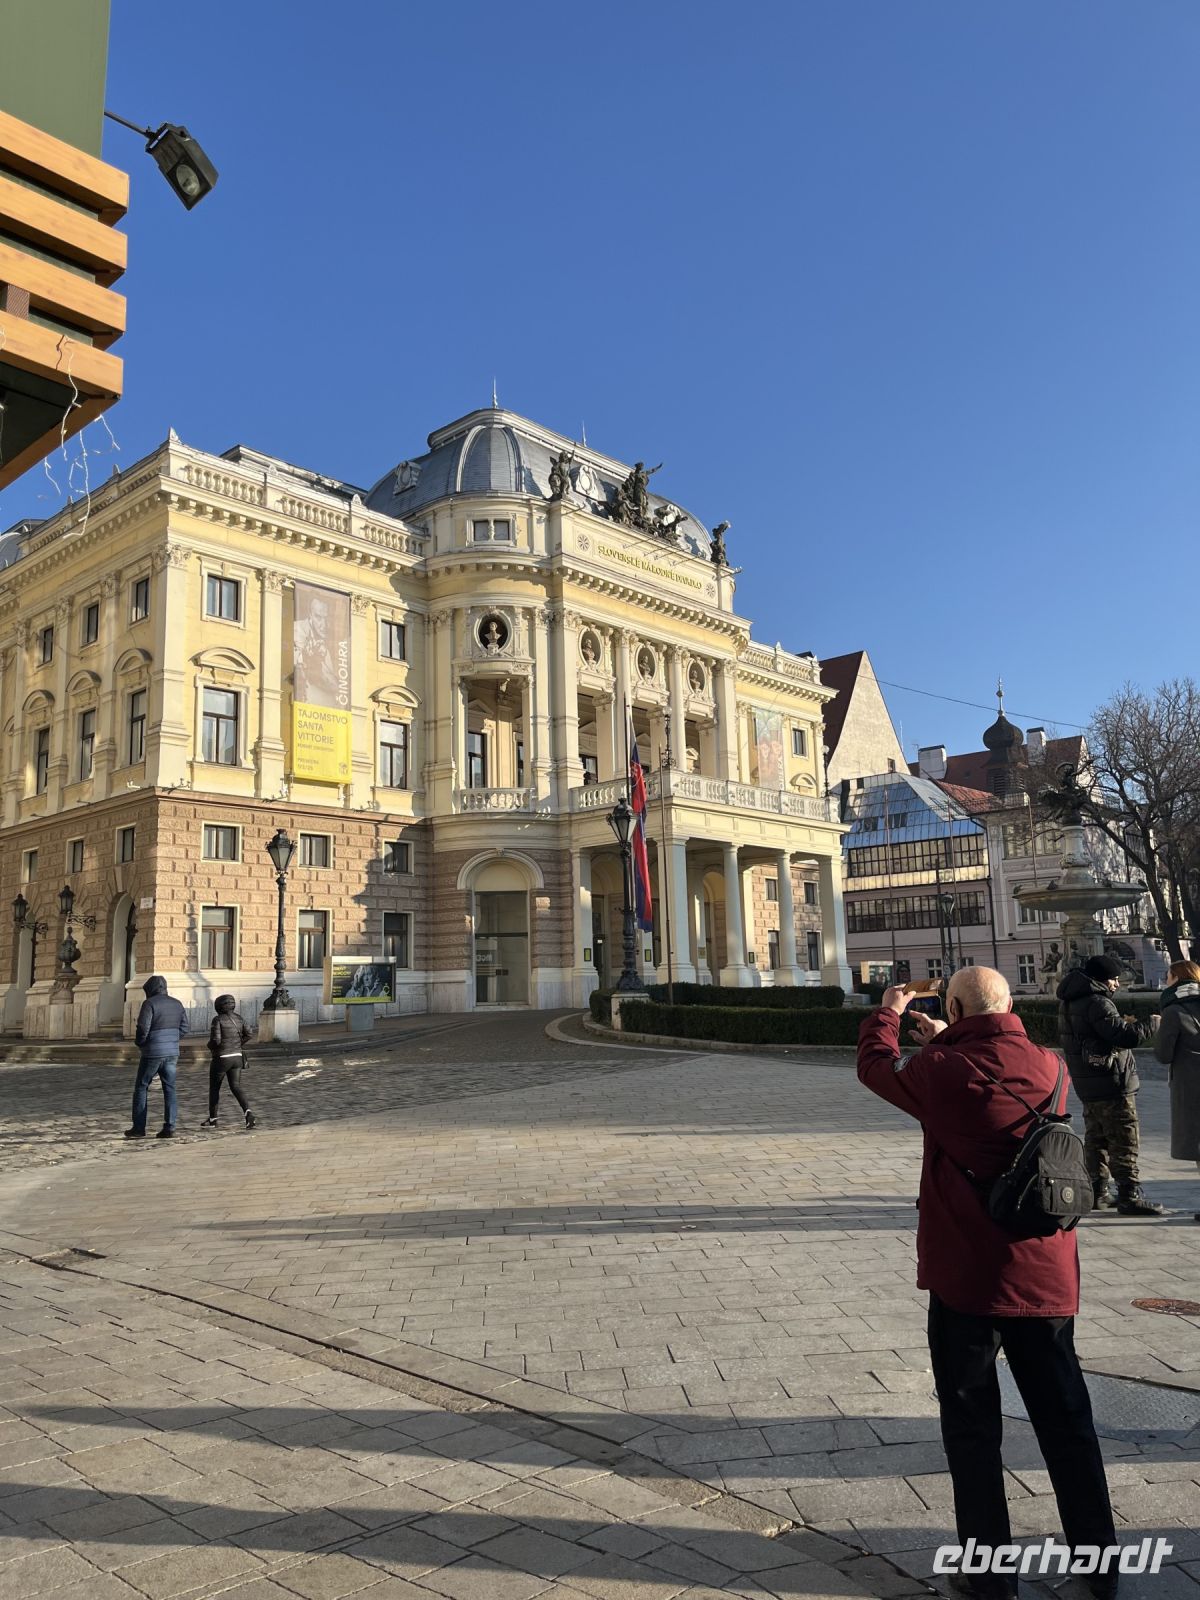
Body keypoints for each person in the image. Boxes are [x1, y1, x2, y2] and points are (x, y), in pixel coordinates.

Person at [858, 968, 1117, 1600]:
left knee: (973, 1427)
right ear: (1009, 1005)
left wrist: (889, 1012)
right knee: (1068, 1422)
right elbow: (987, 1076)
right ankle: (1099, 1566)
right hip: (1046, 1272)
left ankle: (988, 1574)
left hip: (970, 1278)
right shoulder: (1050, 1064)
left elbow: (876, 1067)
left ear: (951, 1006)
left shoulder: (944, 1072)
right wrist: (949, 1037)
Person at [1057, 954, 1163, 1216]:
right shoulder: (1097, 1003)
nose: (1116, 984)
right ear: (1100, 979)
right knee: (1124, 1139)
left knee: (1097, 1138)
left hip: (1088, 1083)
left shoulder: (1070, 1002)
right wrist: (1152, 1022)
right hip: (1111, 1082)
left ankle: (1097, 1192)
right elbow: (1125, 1037)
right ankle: (1130, 1195)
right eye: (1113, 979)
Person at [1153, 959, 1200, 1223]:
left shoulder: (1174, 1011)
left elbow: (1162, 1055)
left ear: (1177, 979)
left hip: (1191, 1086)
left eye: (1168, 977)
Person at [127, 975, 188, 1140]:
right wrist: (172, 1040)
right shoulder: (177, 1003)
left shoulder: (149, 1004)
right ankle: (170, 1126)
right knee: (170, 1088)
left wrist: (141, 1043)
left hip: (152, 1052)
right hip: (172, 1052)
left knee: (141, 1087)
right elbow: (184, 1027)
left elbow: (143, 1028)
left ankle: (139, 1128)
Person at [202, 994, 256, 1130]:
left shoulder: (217, 1020)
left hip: (221, 1058)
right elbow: (249, 1034)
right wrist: (238, 1044)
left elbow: (216, 1041)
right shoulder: (239, 1018)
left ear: (219, 1006)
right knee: (236, 1086)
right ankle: (248, 1113)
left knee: (214, 1088)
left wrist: (209, 1046)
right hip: (237, 1057)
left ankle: (213, 1119)